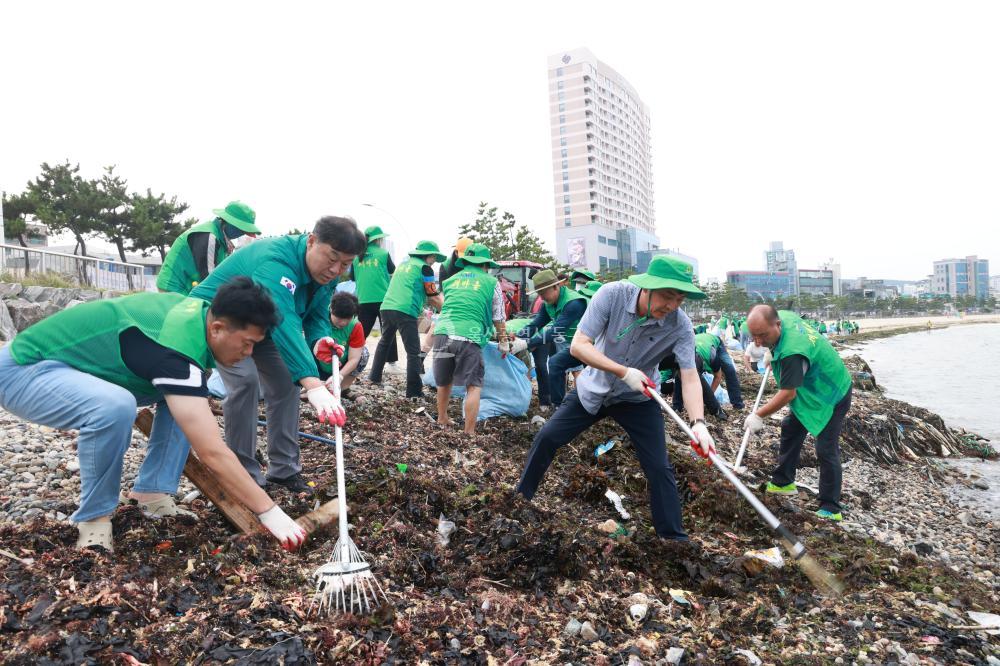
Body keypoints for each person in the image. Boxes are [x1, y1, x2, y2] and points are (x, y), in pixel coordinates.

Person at [0, 278, 308, 552]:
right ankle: (93, 519)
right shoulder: (175, 347)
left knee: (190, 402)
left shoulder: (200, 315)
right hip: (24, 370)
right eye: (247, 343)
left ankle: (152, 493)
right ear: (217, 328)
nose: (249, 354)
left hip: (78, 370)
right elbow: (212, 453)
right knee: (115, 406)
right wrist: (270, 513)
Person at [515, 255, 718, 541]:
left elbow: (690, 374)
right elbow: (579, 346)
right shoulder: (612, 295)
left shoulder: (679, 325)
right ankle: (519, 500)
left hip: (639, 398)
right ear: (647, 287)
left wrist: (698, 423)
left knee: (659, 466)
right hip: (594, 389)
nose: (672, 306)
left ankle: (673, 538)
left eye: (680, 299)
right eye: (667, 296)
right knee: (548, 437)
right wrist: (622, 371)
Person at [190, 216, 367, 493]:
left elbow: (316, 315)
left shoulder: (326, 276)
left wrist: (321, 338)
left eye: (345, 264)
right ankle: (242, 474)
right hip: (223, 323)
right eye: (332, 258)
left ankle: (284, 470)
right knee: (245, 382)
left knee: (286, 382)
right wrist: (313, 382)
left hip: (263, 327)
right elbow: (285, 320)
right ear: (311, 241)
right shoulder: (277, 260)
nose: (335, 269)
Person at [743, 305, 853, 521]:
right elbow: (777, 343)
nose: (757, 342)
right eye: (753, 336)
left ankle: (831, 507)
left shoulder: (793, 352)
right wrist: (770, 349)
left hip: (832, 394)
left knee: (825, 448)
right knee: (791, 427)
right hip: (813, 389)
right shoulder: (782, 317)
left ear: (777, 325)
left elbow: (787, 394)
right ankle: (784, 481)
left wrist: (758, 415)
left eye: (762, 336)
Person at [431, 244, 507, 434]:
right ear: (485, 265)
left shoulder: (450, 281)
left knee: (444, 381)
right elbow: (499, 316)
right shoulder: (491, 282)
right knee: (473, 386)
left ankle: (442, 418)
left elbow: (447, 306)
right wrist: (503, 341)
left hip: (442, 333)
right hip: (469, 335)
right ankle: (469, 432)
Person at [369, 240, 445, 398]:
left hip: (386, 307)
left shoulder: (404, 264)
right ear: (428, 256)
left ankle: (374, 377)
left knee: (385, 342)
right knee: (413, 351)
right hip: (405, 309)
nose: (434, 262)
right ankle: (414, 391)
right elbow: (432, 296)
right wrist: (447, 311)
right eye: (434, 258)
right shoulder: (425, 268)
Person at [513, 269, 588, 408]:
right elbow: (536, 325)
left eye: (543, 293)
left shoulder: (574, 303)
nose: (541, 297)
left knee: (592, 376)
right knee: (555, 363)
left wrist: (525, 344)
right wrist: (516, 339)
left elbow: (555, 331)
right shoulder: (548, 304)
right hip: (575, 344)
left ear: (556, 286)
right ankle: (559, 406)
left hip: (594, 344)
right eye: (539, 294)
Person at [157, 201, 261, 295]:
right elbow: (209, 277)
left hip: (189, 288)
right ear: (228, 222)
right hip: (173, 287)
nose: (242, 233)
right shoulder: (209, 236)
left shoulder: (223, 241)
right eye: (241, 228)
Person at [351, 225, 399, 373]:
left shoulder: (357, 257)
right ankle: (391, 365)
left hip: (363, 299)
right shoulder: (384, 254)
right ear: (378, 239)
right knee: (388, 331)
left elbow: (353, 278)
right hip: (383, 299)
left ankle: (351, 361)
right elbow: (393, 271)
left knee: (360, 332)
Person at [314, 292, 369, 393]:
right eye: (339, 318)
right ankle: (312, 384)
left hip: (341, 367)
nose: (343, 323)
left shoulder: (355, 326)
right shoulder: (319, 318)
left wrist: (339, 376)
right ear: (331, 309)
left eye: (348, 318)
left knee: (364, 353)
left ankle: (342, 387)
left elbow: (354, 358)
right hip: (318, 365)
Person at [692, 331, 745, 408]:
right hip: (700, 345)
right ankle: (677, 406)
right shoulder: (686, 358)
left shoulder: (712, 356)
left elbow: (717, 377)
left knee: (730, 370)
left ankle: (737, 403)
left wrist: (709, 397)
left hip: (715, 343)